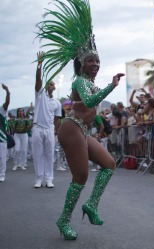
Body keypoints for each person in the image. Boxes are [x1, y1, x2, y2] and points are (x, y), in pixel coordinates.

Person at [36, 0, 125, 240]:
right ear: (81, 63)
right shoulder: (79, 81)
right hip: (70, 128)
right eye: (90, 61)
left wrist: (97, 127)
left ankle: (92, 205)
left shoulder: (89, 83)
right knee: (81, 176)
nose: (95, 64)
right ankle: (64, 220)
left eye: (97, 61)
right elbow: (87, 102)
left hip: (82, 129)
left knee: (109, 164)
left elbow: (90, 110)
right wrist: (112, 86)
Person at [33, 52, 62, 188]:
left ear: (54, 87)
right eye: (48, 84)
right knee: (38, 154)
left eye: (51, 84)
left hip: (50, 129)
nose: (49, 86)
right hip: (38, 128)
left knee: (49, 154)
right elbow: (38, 81)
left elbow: (57, 119)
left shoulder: (57, 103)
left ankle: (49, 179)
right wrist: (40, 64)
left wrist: (57, 132)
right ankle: (39, 179)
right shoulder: (40, 95)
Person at [0, 84, 10, 182]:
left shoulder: (2, 110)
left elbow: (7, 102)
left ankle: (2, 174)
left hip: (1, 138)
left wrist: (7, 91)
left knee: (2, 157)